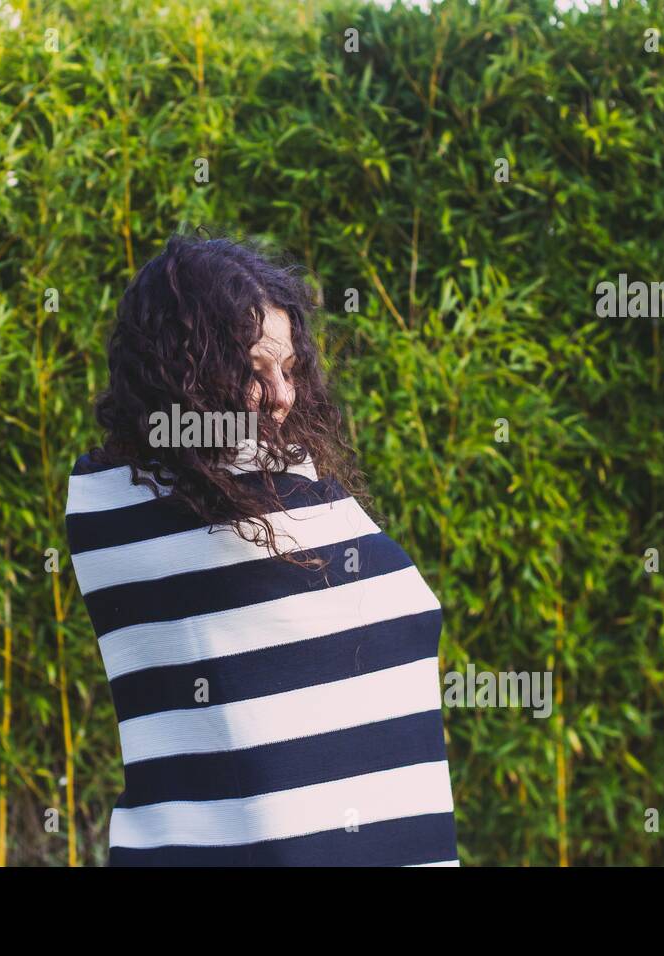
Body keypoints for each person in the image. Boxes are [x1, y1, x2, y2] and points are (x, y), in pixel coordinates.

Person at [64, 231, 458, 866]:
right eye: (252, 371)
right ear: (183, 374)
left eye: (289, 367)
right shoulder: (142, 510)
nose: (284, 396)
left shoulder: (100, 499)